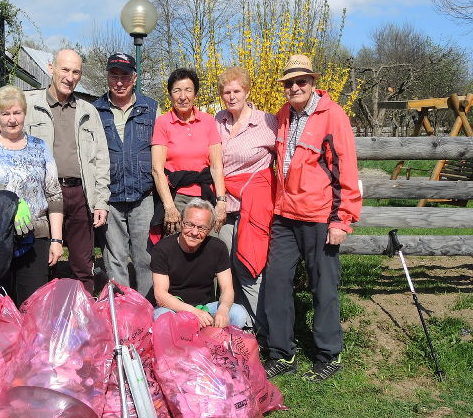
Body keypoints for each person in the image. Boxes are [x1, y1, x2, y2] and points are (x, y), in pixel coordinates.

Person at [262, 54, 362, 382]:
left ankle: (328, 354)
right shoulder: (282, 116)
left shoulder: (332, 116)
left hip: (320, 216)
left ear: (313, 83)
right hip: (285, 214)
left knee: (324, 287)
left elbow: (345, 167)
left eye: (300, 81)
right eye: (289, 83)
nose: (294, 87)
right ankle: (282, 353)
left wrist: (342, 219)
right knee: (276, 281)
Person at [0, 85, 64, 307]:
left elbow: (54, 194)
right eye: (5, 114)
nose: (12, 119)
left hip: (36, 239)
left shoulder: (39, 147)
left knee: (34, 308)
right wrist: (9, 205)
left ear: (25, 113)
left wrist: (56, 240)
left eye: (17, 112)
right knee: (0, 308)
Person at [24, 49, 109, 294]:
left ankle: (83, 316)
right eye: (65, 69)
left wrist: (101, 200)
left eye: (76, 72)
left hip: (79, 194)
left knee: (83, 263)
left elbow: (101, 159)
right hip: (42, 196)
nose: (70, 77)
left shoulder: (87, 111)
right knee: (44, 262)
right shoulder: (30, 106)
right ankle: (45, 317)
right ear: (51, 68)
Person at [214, 67, 277, 333]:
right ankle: (238, 326)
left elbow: (286, 158)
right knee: (225, 268)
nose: (231, 96)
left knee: (249, 267)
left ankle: (263, 328)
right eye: (226, 92)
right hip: (223, 206)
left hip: (254, 206)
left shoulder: (267, 122)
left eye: (236, 91)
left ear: (247, 91)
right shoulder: (217, 121)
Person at [92, 53, 159, 296]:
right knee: (115, 259)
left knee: (145, 258)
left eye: (125, 76)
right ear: (107, 77)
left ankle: (147, 309)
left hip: (143, 197)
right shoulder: (95, 110)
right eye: (114, 76)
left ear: (135, 78)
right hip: (110, 198)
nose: (119, 82)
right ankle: (121, 313)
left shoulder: (151, 108)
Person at [151, 68, 226, 237]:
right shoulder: (163, 123)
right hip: (177, 198)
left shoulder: (207, 121)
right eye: (177, 91)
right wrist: (169, 206)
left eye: (188, 90)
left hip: (205, 197)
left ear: (195, 94)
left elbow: (216, 166)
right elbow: (157, 169)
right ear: (170, 95)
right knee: (178, 250)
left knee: (208, 249)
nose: (183, 96)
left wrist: (221, 201)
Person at [151, 199, 248, 329]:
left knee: (238, 314)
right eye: (189, 225)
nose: (195, 232)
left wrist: (223, 310)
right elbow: (160, 296)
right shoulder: (162, 249)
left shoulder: (217, 248)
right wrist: (193, 312)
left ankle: (214, 344)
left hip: (205, 307)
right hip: (174, 308)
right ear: (181, 222)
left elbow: (227, 288)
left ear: (210, 229)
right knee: (161, 318)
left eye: (202, 228)